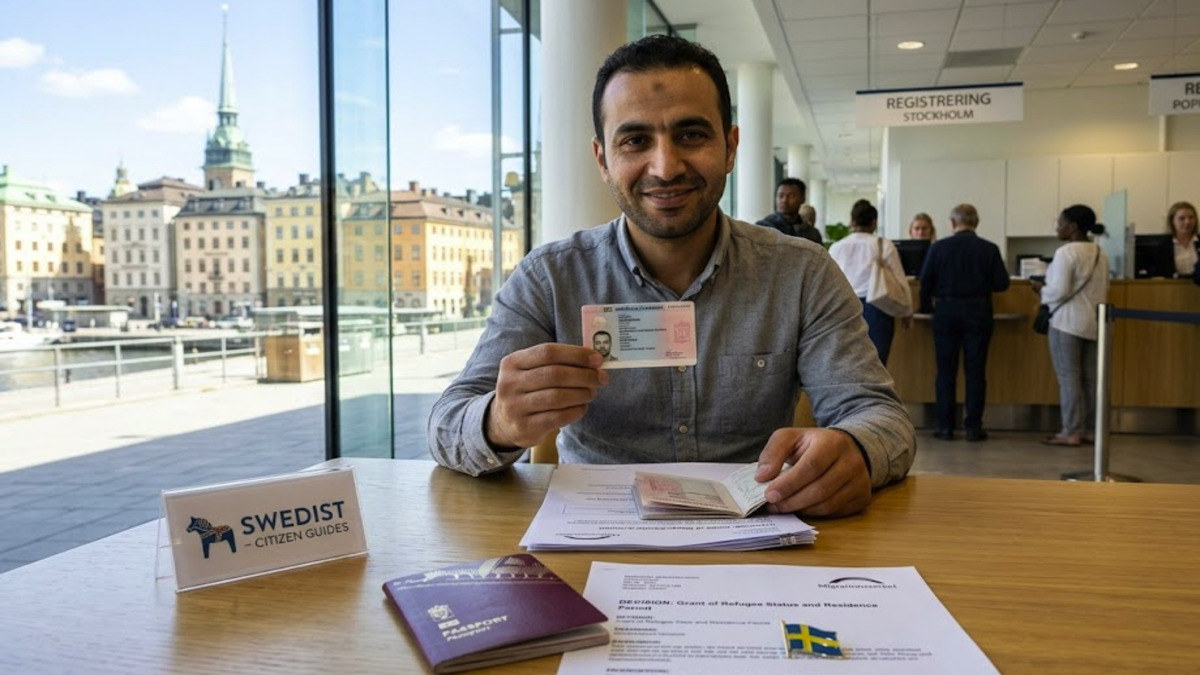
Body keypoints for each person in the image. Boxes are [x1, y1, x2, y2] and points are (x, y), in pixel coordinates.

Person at [428, 34, 914, 518]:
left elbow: (881, 416)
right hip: (594, 540)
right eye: (636, 140)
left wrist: (856, 449)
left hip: (759, 534)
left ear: (730, 146)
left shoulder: (802, 274)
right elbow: (447, 425)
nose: (665, 167)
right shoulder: (551, 278)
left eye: (691, 135)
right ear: (603, 159)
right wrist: (497, 421)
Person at [918, 204, 1010, 442]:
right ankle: (973, 428)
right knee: (976, 372)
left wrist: (927, 308)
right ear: (976, 222)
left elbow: (926, 281)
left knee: (945, 372)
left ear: (952, 223)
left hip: (946, 311)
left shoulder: (939, 248)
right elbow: (1002, 283)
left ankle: (945, 427)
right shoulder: (989, 249)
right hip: (979, 311)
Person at [1031, 205, 1109, 447]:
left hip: (1066, 323)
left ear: (1073, 226)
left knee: (1068, 378)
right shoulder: (1099, 252)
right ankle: (1089, 430)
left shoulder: (1067, 252)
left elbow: (1059, 290)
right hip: (1094, 323)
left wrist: (1040, 289)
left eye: (1061, 222)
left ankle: (1071, 431)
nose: (1057, 227)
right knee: (1090, 379)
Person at [828, 203, 913, 365]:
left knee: (848, 363)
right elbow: (899, 279)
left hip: (845, 308)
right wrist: (906, 311)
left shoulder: (836, 247)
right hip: (878, 308)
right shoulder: (883, 245)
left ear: (852, 221)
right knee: (878, 363)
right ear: (874, 222)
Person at [756, 178, 823, 245]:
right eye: (780, 196)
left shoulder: (812, 233)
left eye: (791, 196)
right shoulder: (764, 227)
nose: (784, 200)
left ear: (802, 199)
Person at [1167, 201, 1198, 278]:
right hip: (1173, 288)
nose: (1187, 222)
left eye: (1191, 218)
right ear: (1172, 221)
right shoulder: (1162, 247)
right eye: (1182, 218)